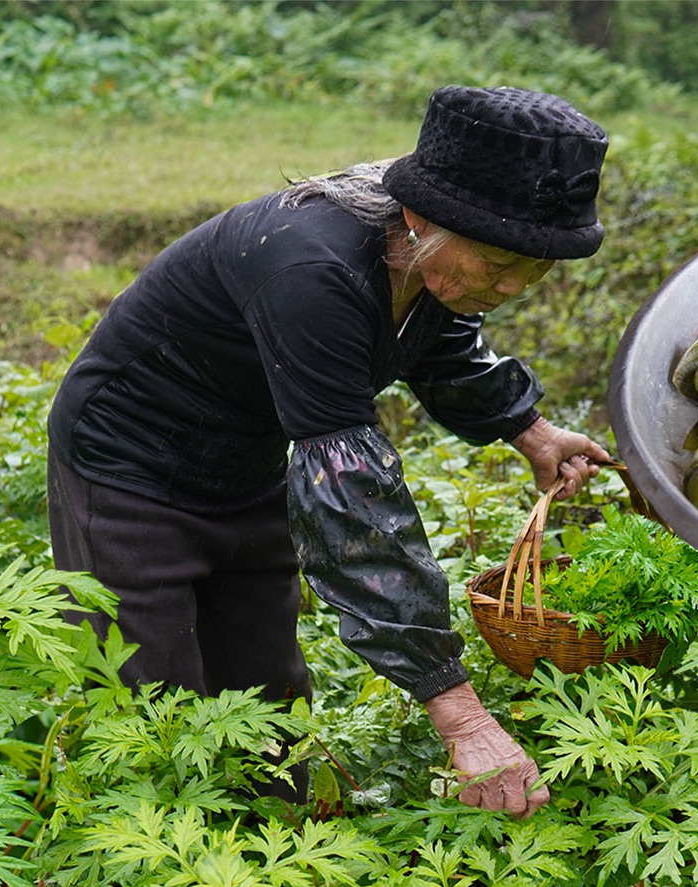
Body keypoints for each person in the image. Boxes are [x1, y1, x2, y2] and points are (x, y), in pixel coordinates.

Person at [46, 85, 616, 817]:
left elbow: (442, 339)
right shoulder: (313, 268)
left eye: (535, 269)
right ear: (419, 219)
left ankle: (271, 867)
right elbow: (353, 509)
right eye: (499, 262)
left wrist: (529, 432)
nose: (513, 287)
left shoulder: (431, 259)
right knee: (151, 708)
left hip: (249, 461)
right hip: (129, 471)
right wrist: (464, 719)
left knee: (270, 706)